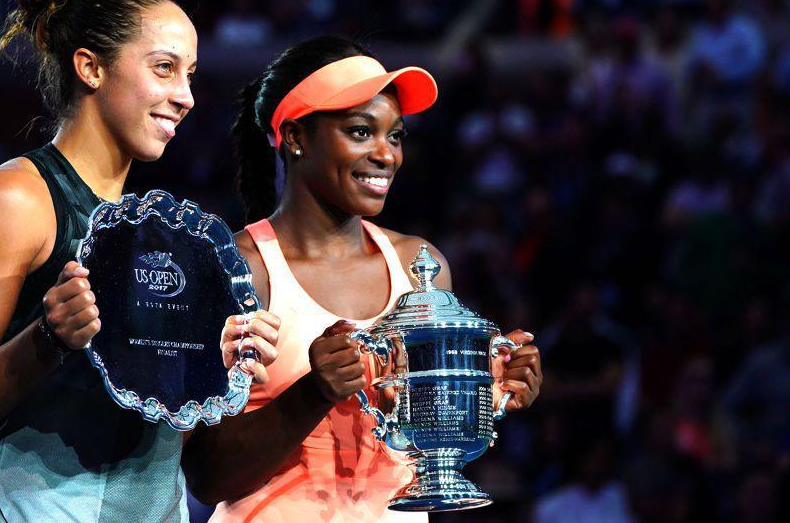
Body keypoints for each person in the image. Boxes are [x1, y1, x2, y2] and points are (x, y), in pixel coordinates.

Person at [0, 0, 278, 522]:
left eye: (190, 75)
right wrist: (47, 341)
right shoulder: (14, 200)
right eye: (164, 68)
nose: (185, 95)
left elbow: (147, 423)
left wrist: (213, 368)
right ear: (90, 67)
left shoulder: (162, 234)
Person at [182, 36, 543, 522]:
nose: (386, 154)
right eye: (360, 132)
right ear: (295, 137)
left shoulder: (421, 266)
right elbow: (206, 476)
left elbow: (430, 453)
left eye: (395, 136)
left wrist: (487, 391)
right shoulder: (235, 269)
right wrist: (312, 394)